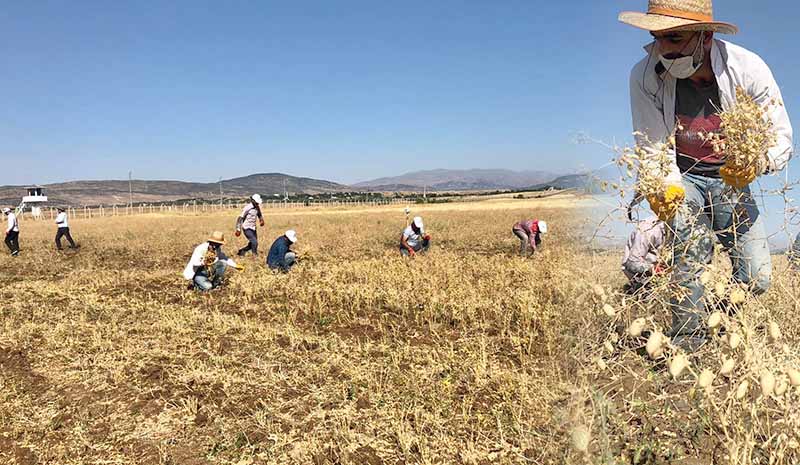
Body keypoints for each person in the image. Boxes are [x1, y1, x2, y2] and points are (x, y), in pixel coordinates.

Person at [620, 0, 793, 349]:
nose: (663, 49)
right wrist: (662, 186)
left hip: (732, 180)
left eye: (675, 38)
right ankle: (689, 341)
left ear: (706, 36)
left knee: (756, 275)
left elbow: (780, 135)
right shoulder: (644, 75)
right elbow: (652, 142)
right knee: (690, 258)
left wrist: (757, 160)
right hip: (684, 176)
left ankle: (718, 315)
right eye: (657, 37)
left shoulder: (748, 69)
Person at [622, 216, 666, 292]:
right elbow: (632, 263)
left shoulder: (684, 230)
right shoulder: (648, 230)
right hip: (641, 276)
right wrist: (653, 269)